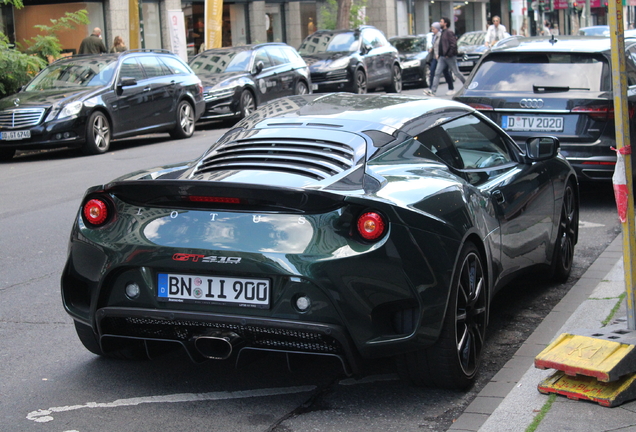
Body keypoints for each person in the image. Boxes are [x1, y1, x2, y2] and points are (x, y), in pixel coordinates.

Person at [424, 17, 466, 97]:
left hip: (449, 57)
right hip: (442, 57)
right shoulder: (443, 32)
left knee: (456, 72)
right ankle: (433, 91)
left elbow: (453, 44)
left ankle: (467, 85)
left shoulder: (449, 32)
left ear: (445, 23)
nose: (440, 23)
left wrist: (448, 54)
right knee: (437, 73)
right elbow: (440, 45)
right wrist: (440, 54)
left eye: (441, 22)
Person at [426, 22, 454, 93]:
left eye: (433, 29)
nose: (432, 30)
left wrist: (440, 53)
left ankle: (451, 88)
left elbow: (443, 46)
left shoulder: (442, 35)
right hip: (435, 57)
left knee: (446, 72)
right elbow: (434, 45)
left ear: (438, 29)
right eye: (432, 29)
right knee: (433, 71)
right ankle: (431, 89)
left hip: (441, 56)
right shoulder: (433, 36)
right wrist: (431, 49)